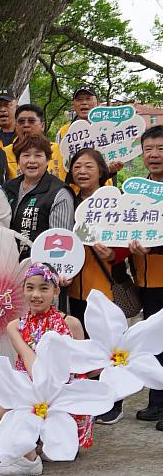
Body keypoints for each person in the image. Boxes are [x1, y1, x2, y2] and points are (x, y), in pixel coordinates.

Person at [0, 263, 88, 476]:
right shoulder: (16, 325)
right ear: (22, 289)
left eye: (44, 288)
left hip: (62, 394)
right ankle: (30, 457)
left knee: (57, 450)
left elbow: (86, 366)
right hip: (28, 386)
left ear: (56, 291)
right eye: (30, 287)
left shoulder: (71, 323)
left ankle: (30, 456)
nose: (36, 295)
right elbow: (27, 357)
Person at [65, 148, 129, 426]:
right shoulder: (67, 201)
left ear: (102, 171)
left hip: (105, 288)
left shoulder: (115, 202)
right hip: (75, 288)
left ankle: (115, 403)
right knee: (83, 348)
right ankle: (91, 399)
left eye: (89, 166)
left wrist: (113, 255)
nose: (82, 171)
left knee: (108, 347)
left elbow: (128, 240)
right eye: (77, 166)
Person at [128, 125, 163, 429]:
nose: (154, 155)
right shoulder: (135, 190)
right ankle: (157, 402)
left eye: (161, 149)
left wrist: (155, 248)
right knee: (154, 342)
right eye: (149, 149)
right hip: (147, 281)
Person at [3, 135, 75, 255]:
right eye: (26, 155)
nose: (31, 160)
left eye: (38, 155)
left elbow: (61, 244)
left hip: (41, 268)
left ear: (47, 160)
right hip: (7, 265)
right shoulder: (8, 188)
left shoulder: (59, 193)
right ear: (18, 160)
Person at [56, 86, 123, 178]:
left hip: (102, 186)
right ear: (73, 105)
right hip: (72, 188)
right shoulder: (63, 132)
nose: (84, 103)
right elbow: (60, 162)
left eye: (88, 99)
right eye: (79, 100)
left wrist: (113, 169)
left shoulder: (109, 129)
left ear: (98, 103)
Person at [3, 104, 66, 181]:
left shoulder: (59, 150)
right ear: (15, 126)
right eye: (21, 121)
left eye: (31, 121)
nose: (26, 125)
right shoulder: (4, 153)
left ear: (42, 126)